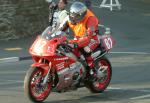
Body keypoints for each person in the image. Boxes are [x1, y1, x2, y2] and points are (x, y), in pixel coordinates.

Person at [59, 2, 100, 73]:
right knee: (65, 49)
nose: (73, 18)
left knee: (86, 50)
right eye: (72, 15)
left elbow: (87, 38)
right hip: (78, 38)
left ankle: (92, 71)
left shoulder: (91, 19)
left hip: (92, 39)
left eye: (76, 16)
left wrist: (71, 42)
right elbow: (59, 29)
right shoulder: (69, 18)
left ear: (82, 15)